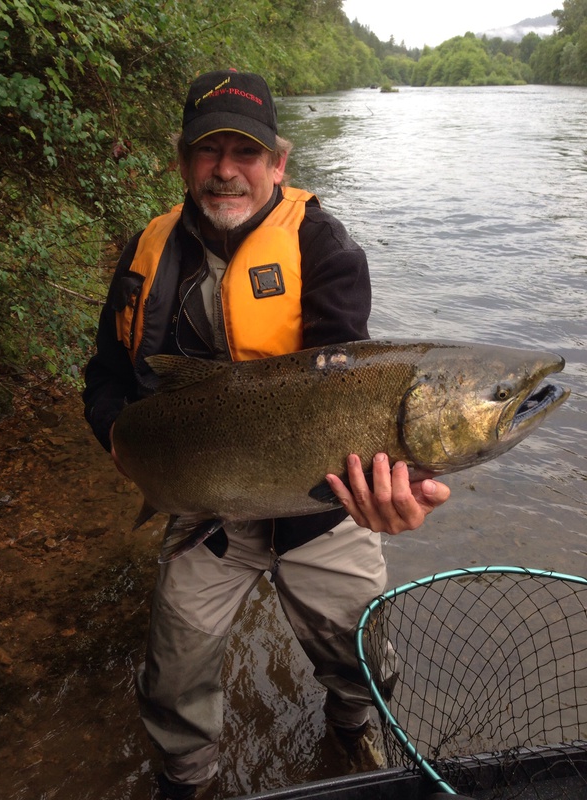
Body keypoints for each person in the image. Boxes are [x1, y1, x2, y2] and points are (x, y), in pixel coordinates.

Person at [83, 69, 450, 800]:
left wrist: (388, 489)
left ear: (278, 163)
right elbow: (106, 377)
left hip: (317, 510)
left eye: (245, 152)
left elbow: (356, 403)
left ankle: (353, 725)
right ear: (184, 162)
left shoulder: (325, 250)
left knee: (361, 657)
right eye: (208, 151)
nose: (225, 170)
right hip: (203, 506)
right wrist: (119, 445)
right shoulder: (146, 254)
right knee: (174, 668)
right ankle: (187, 781)